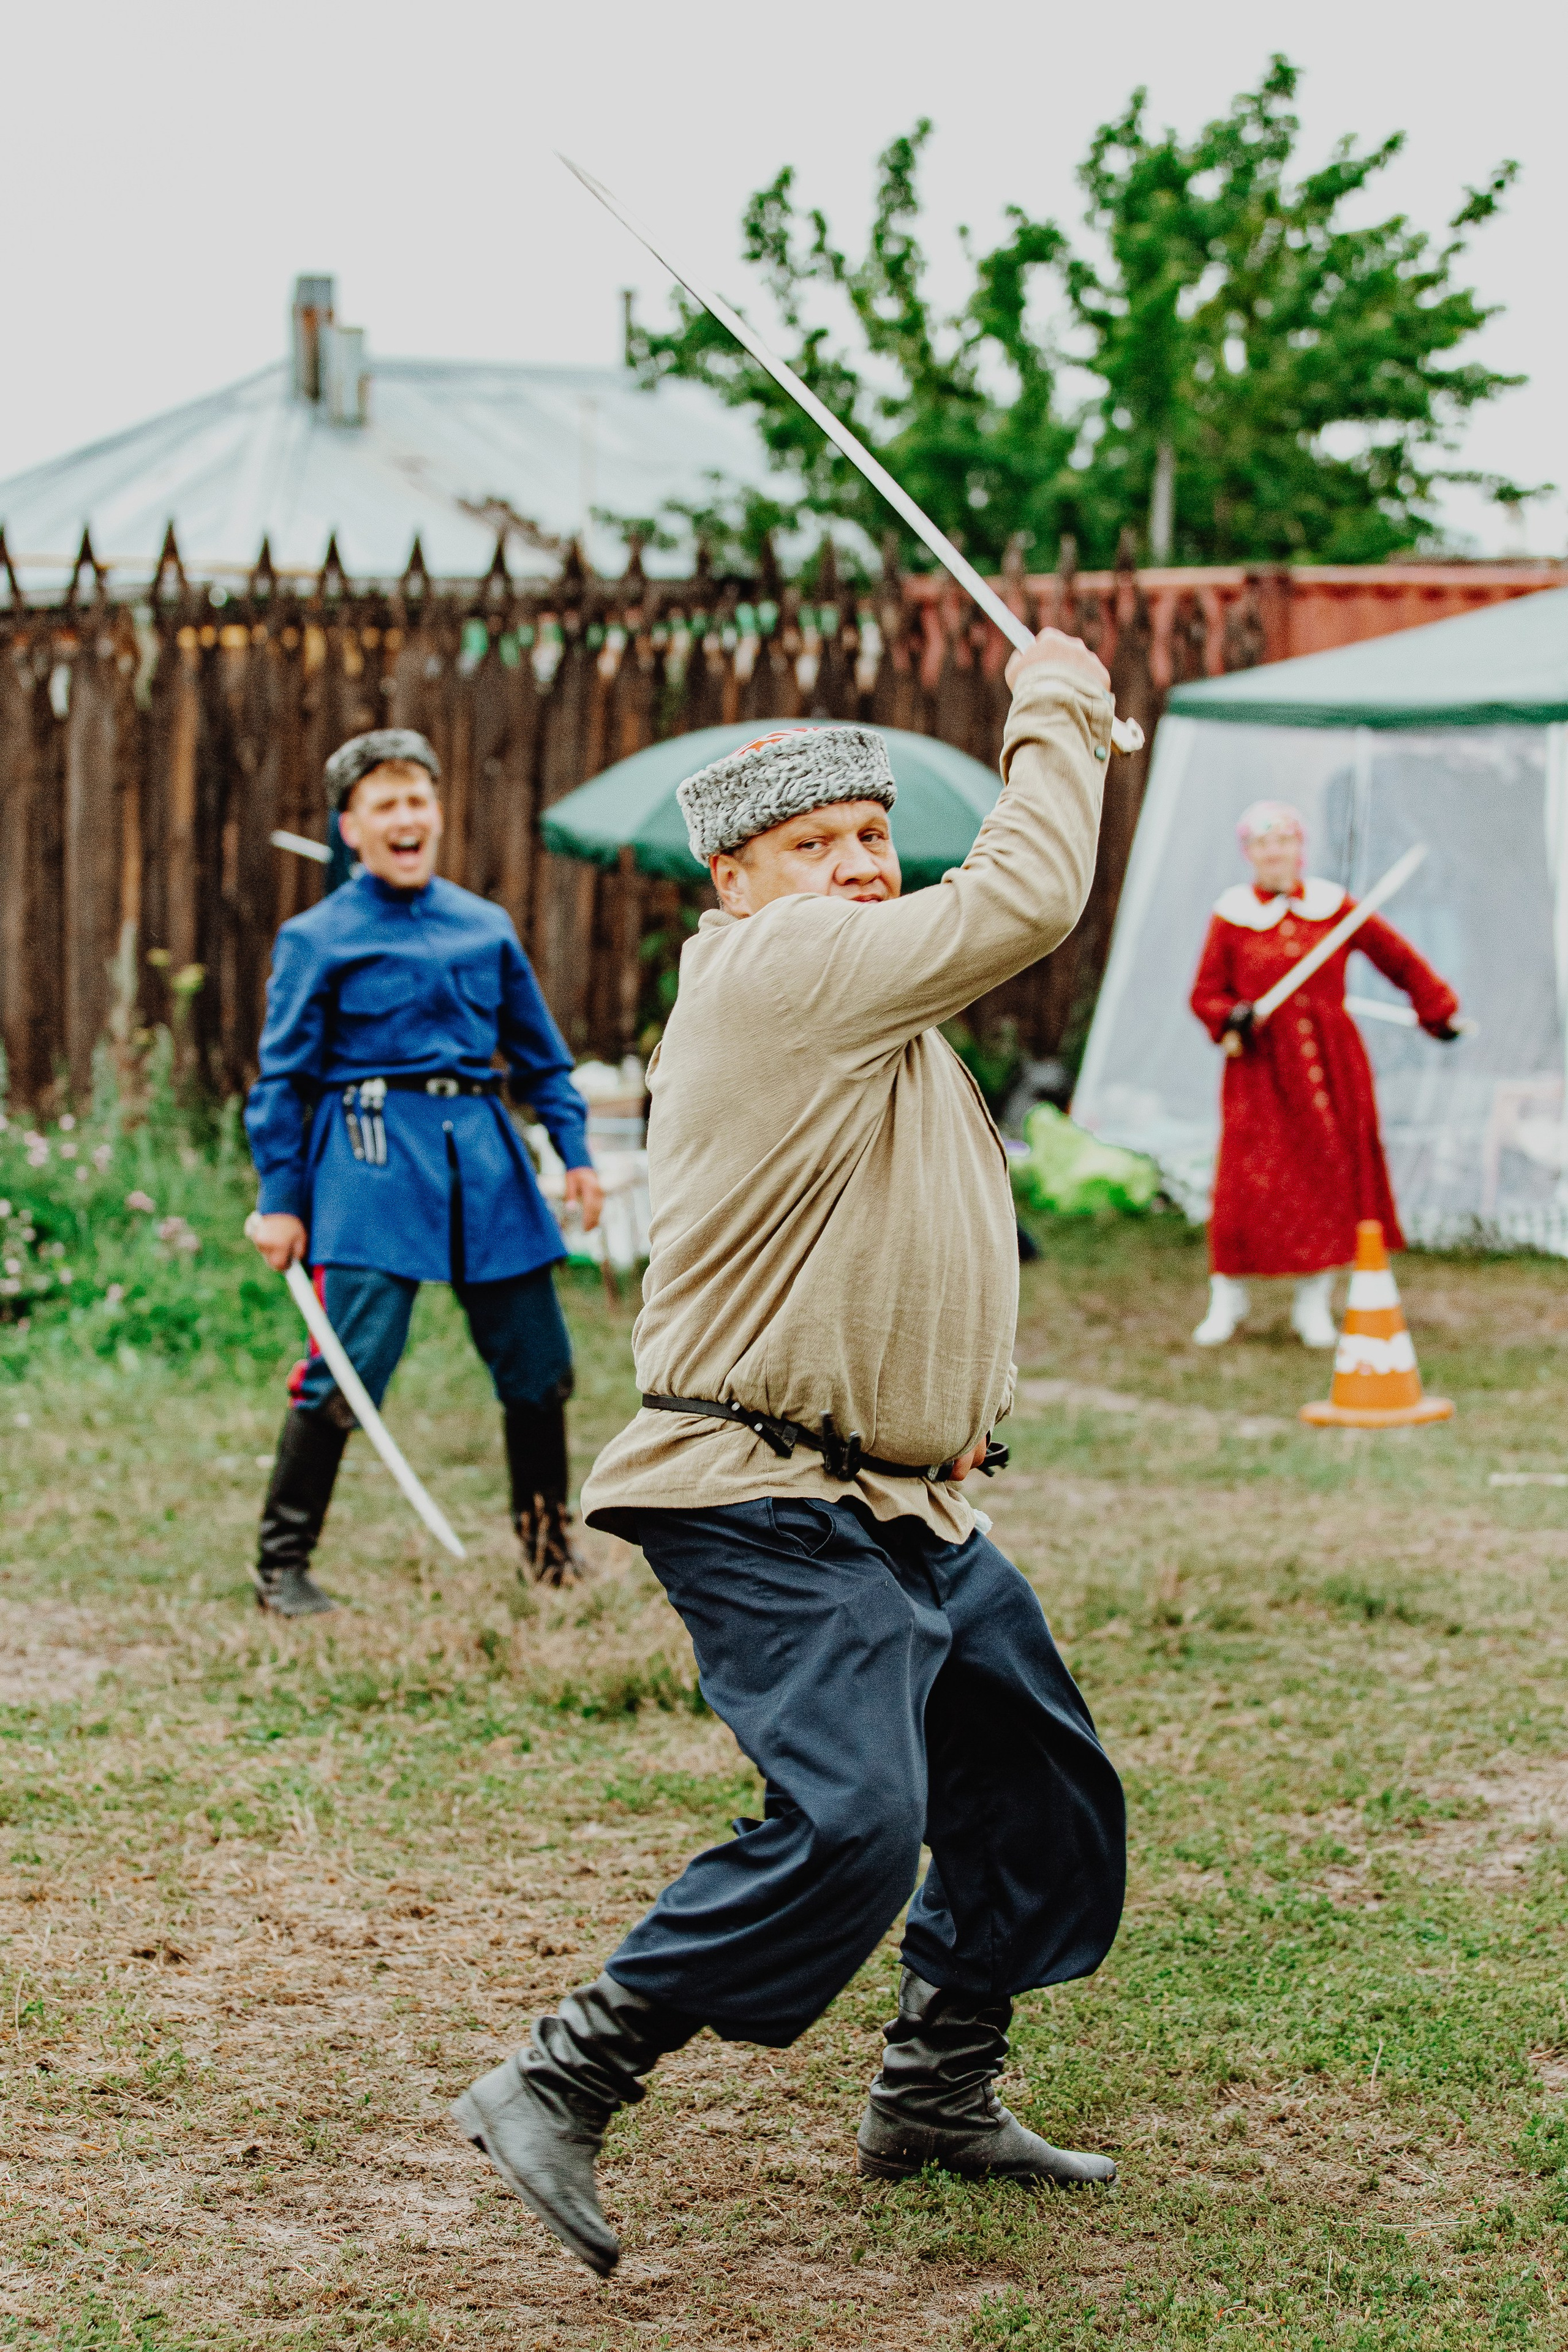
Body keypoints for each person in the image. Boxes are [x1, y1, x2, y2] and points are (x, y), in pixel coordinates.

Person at [450, 641, 1128, 2277]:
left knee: (1029, 1782)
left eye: (874, 838)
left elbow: (895, 1231)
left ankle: (937, 2093)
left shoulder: (870, 1011)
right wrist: (1063, 714)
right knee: (850, 1819)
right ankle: (561, 2073)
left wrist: (935, 1410)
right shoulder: (779, 966)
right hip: (755, 1489)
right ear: (738, 875)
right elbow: (1029, 897)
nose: (859, 867)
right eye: (819, 843)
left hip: (895, 1489)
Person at [243, 728, 603, 1612]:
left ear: (436, 815)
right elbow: (281, 1083)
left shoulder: (484, 926)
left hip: (484, 1154)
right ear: (351, 828)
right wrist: (281, 1201)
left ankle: (549, 1549)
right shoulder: (316, 938)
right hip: (369, 1158)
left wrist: (577, 1151)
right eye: (385, 805)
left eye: (418, 801)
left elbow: (542, 1058)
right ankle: (281, 1567)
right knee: (346, 1363)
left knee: (539, 1364)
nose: (407, 819)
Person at [1189, 799, 1460, 1348]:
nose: (1275, 853)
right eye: (1264, 844)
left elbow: (1398, 959)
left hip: (1332, 1069)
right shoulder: (1233, 915)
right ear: (1250, 853)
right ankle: (1229, 1298)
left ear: (1299, 847)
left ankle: (1314, 1303)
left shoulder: (1335, 908)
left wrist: (1437, 1007)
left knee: (1330, 1176)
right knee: (1248, 1180)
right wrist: (1230, 1015)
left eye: (1285, 841)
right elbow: (1205, 994)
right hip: (1261, 1072)